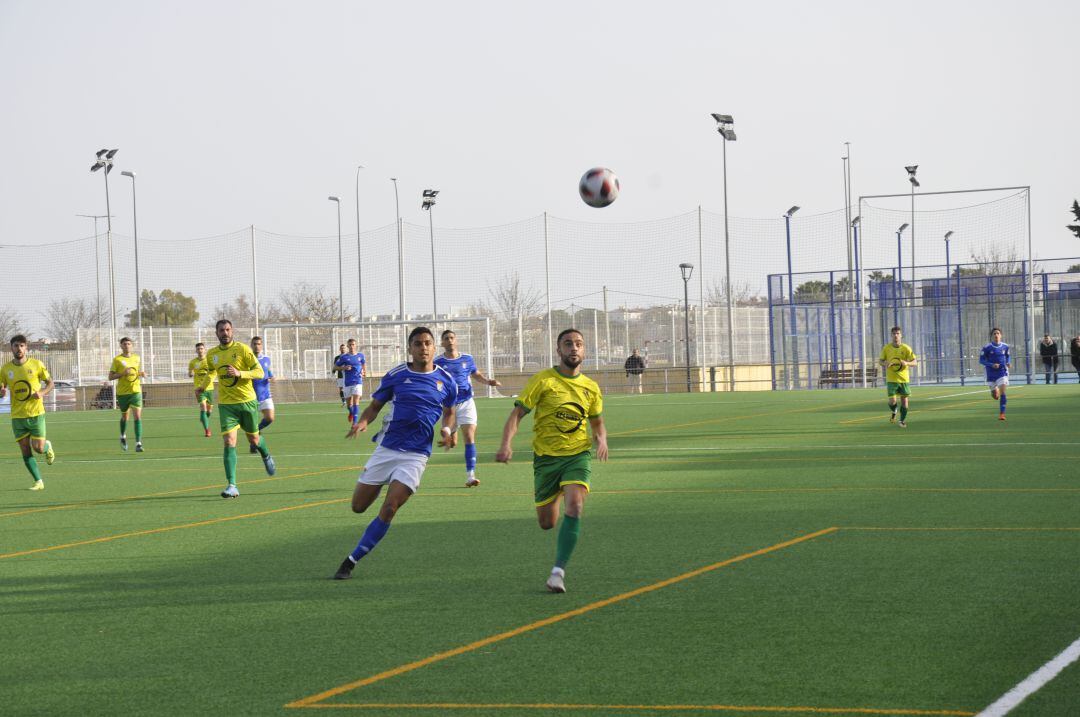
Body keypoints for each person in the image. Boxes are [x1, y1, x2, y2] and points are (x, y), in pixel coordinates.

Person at [333, 326, 458, 580]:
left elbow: (450, 411)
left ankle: (351, 560)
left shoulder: (446, 380)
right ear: (409, 349)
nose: (423, 348)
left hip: (416, 455)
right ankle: (380, 482)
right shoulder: (396, 375)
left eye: (427, 343)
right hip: (387, 449)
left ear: (434, 348)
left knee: (390, 508)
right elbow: (375, 406)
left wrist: (446, 430)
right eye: (417, 343)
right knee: (358, 507)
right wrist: (363, 422)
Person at [495, 328, 608, 594]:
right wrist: (506, 444)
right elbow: (517, 415)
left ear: (584, 350)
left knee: (576, 506)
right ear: (559, 350)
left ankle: (558, 571)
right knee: (547, 523)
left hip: (577, 456)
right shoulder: (543, 380)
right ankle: (558, 492)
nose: (574, 348)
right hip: (546, 460)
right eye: (568, 344)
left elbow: (598, 424)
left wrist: (601, 439)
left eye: (578, 344)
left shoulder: (591, 388)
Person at [207, 319, 276, 497]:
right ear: (216, 333)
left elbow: (259, 372)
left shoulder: (243, 349)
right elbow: (211, 373)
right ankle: (232, 485)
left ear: (232, 331)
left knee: (254, 440)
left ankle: (266, 454)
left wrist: (240, 373)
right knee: (229, 441)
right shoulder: (212, 354)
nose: (225, 333)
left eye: (228, 329)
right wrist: (202, 386)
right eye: (221, 330)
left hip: (247, 402)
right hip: (226, 405)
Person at [434, 328, 501, 487]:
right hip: (449, 405)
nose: (449, 340)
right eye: (446, 338)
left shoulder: (467, 359)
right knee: (453, 443)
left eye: (452, 337)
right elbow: (435, 381)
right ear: (442, 343)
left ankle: (471, 476)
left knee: (470, 436)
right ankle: (453, 430)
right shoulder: (438, 362)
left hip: (466, 402)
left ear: (456, 340)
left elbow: (476, 374)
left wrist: (488, 382)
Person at [0, 335, 55, 490]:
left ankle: (47, 446)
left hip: (36, 413)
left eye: (22, 345)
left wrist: (42, 393)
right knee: (25, 449)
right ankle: (38, 481)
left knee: (38, 448)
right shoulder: (5, 369)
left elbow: (50, 383)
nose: (19, 349)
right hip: (17, 416)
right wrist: (1, 392)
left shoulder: (36, 364)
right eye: (16, 345)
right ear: (11, 348)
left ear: (26, 348)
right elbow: (1, 388)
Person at [108, 336, 146, 452]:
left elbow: (135, 373)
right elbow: (110, 377)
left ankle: (138, 443)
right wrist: (122, 373)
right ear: (121, 346)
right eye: (124, 344)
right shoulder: (117, 360)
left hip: (135, 391)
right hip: (123, 393)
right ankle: (123, 436)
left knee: (137, 417)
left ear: (132, 345)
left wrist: (141, 374)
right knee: (125, 417)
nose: (127, 346)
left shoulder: (137, 358)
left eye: (129, 344)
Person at [877, 326, 918, 428]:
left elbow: (915, 362)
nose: (896, 335)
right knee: (893, 401)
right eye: (894, 334)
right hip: (891, 379)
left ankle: (902, 420)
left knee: (904, 401)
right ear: (891, 335)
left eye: (898, 333)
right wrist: (885, 363)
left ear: (901, 335)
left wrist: (906, 363)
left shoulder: (906, 348)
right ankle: (894, 410)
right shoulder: (886, 348)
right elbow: (880, 361)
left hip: (904, 379)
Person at [249, 336, 275, 453]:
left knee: (270, 418)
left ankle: (258, 429)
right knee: (251, 423)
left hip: (265, 394)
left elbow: (269, 373)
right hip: (251, 396)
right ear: (251, 345)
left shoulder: (266, 359)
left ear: (262, 345)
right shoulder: (247, 360)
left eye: (259, 344)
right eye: (254, 344)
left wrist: (271, 378)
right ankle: (253, 444)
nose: (257, 346)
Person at [334, 338, 366, 429]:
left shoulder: (361, 355)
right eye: (350, 345)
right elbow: (335, 367)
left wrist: (364, 372)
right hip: (347, 382)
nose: (352, 346)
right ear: (347, 346)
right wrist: (344, 368)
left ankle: (355, 423)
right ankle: (351, 413)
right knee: (349, 405)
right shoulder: (344, 357)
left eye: (353, 344)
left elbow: (363, 364)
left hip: (358, 382)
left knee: (356, 402)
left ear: (356, 345)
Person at [979, 327, 1010, 421]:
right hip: (990, 373)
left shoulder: (1005, 346)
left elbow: (1008, 356)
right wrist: (992, 365)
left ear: (1001, 335)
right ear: (991, 336)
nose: (996, 335)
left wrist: (1008, 362)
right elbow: (981, 360)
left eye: (998, 333)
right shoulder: (987, 347)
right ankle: (993, 390)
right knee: (995, 396)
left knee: (1003, 392)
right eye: (994, 334)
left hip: (1002, 372)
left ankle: (1002, 414)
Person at [188, 342, 215, 438]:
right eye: (198, 349)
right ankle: (207, 430)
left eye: (201, 349)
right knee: (203, 406)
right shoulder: (193, 362)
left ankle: (203, 418)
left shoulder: (209, 361)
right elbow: (190, 373)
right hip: (198, 388)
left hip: (209, 388)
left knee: (209, 410)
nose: (200, 350)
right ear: (196, 351)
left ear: (204, 350)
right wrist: (191, 373)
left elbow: (214, 372)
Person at [332, 343, 347, 409]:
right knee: (341, 389)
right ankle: (344, 402)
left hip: (347, 376)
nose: (343, 349)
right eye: (341, 348)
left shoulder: (348, 356)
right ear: (339, 349)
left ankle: (349, 401)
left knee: (348, 389)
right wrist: (333, 373)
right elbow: (335, 366)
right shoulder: (337, 358)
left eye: (344, 348)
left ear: (346, 349)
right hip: (340, 376)